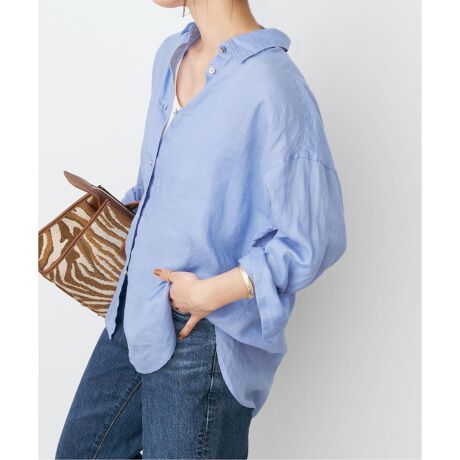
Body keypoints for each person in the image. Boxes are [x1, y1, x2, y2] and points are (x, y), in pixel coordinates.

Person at [55, 0, 347, 458]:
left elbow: (315, 236)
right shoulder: (170, 56)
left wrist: (213, 292)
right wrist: (129, 213)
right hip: (136, 311)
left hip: (204, 334)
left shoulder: (273, 84)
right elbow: (173, 184)